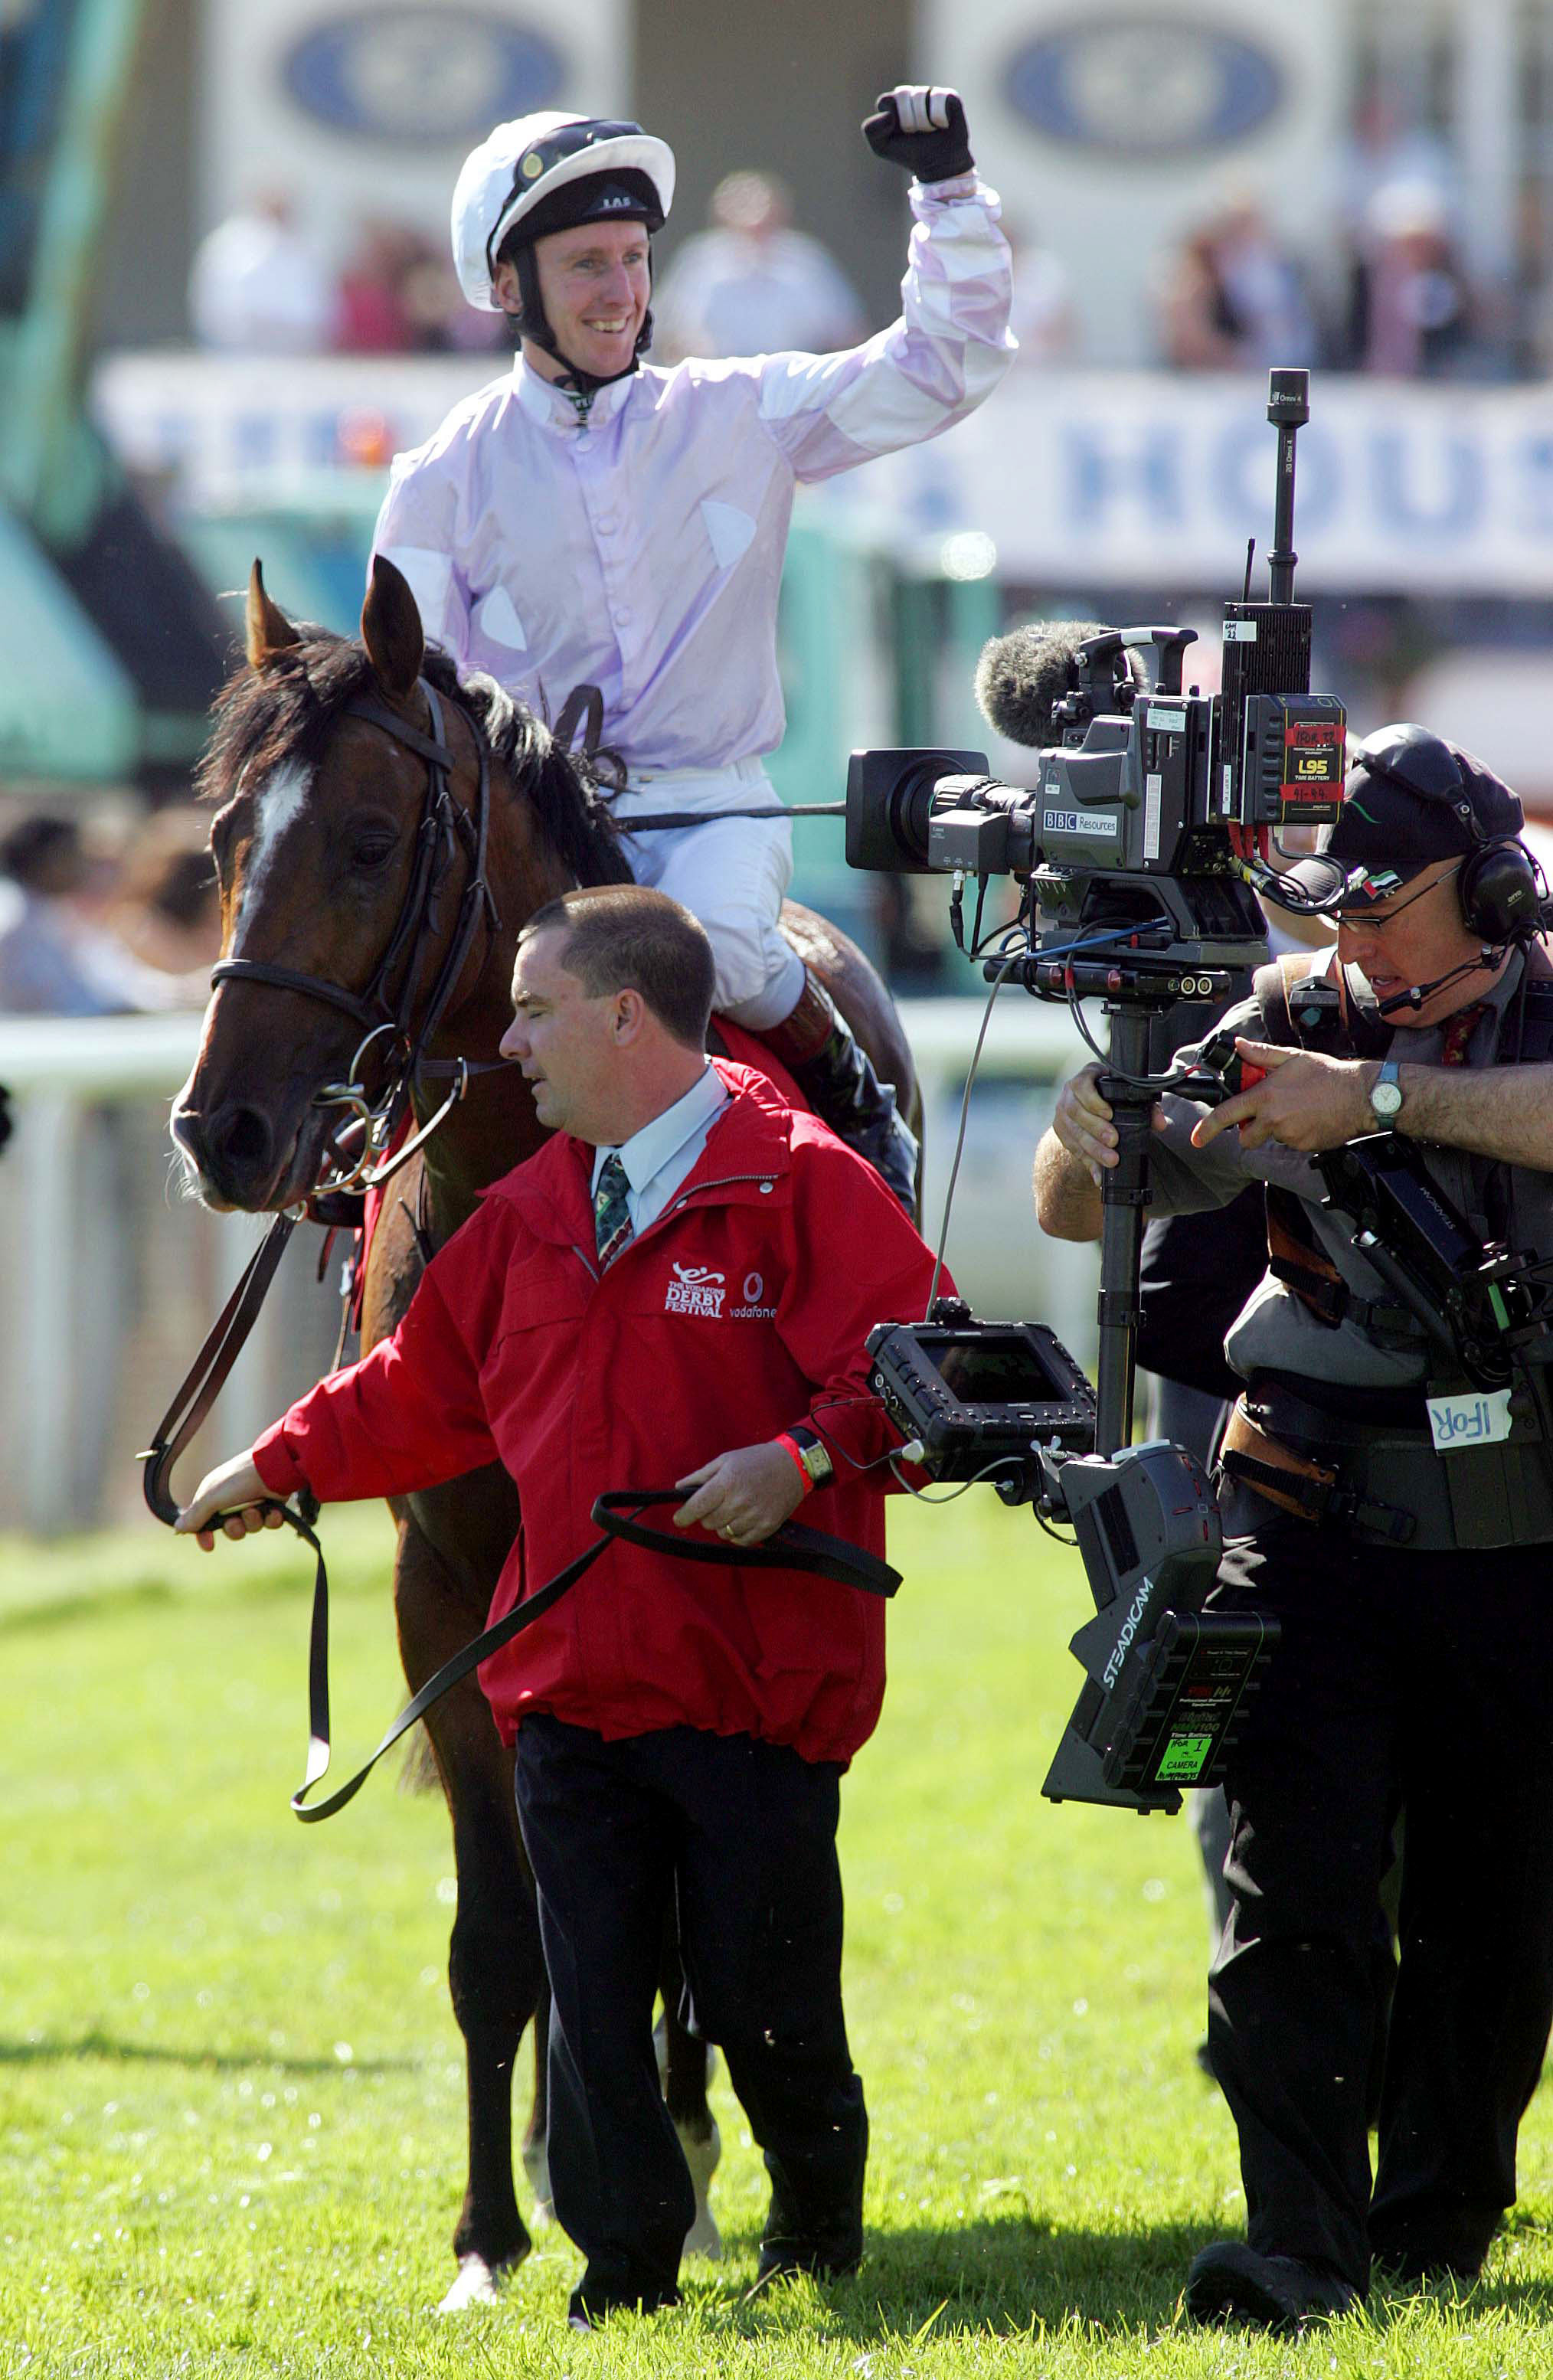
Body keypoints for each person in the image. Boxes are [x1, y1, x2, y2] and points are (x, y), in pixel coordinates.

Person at [175, 884, 942, 2327]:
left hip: (751, 1685)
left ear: (624, 1018)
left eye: (532, 1011)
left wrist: (799, 1458)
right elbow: (419, 1393)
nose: (507, 1042)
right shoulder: (526, 1204)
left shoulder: (805, 1179)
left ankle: (816, 2232)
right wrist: (270, 1465)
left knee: (764, 1996)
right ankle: (623, 2276)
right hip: (571, 1682)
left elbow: (922, 1369)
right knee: (589, 2001)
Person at [1033, 725, 1553, 2333]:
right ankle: (1294, 2252)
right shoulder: (1284, 1015)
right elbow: (1075, 1201)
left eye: (1381, 911)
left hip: (1518, 1538)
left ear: (1484, 891)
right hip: (1304, 1512)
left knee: (1498, 1904)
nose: (1348, 945)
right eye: (1331, 913)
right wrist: (1092, 1121)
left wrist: (1384, 1098)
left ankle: (1436, 2217)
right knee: (1292, 1887)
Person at [371, 90, 1015, 1210]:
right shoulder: (438, 477)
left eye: (633, 257)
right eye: (587, 265)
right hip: (530, 839)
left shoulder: (740, 409)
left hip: (714, 807)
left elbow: (944, 366)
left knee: (700, 939)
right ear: (510, 286)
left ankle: (858, 1103)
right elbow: (407, 701)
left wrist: (949, 194)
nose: (623, 292)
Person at [652, 170, 867, 362]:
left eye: (761, 206)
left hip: (791, 387)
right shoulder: (699, 259)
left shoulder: (805, 260)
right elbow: (666, 333)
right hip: (716, 387)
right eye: (742, 205)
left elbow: (847, 334)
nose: (753, 217)